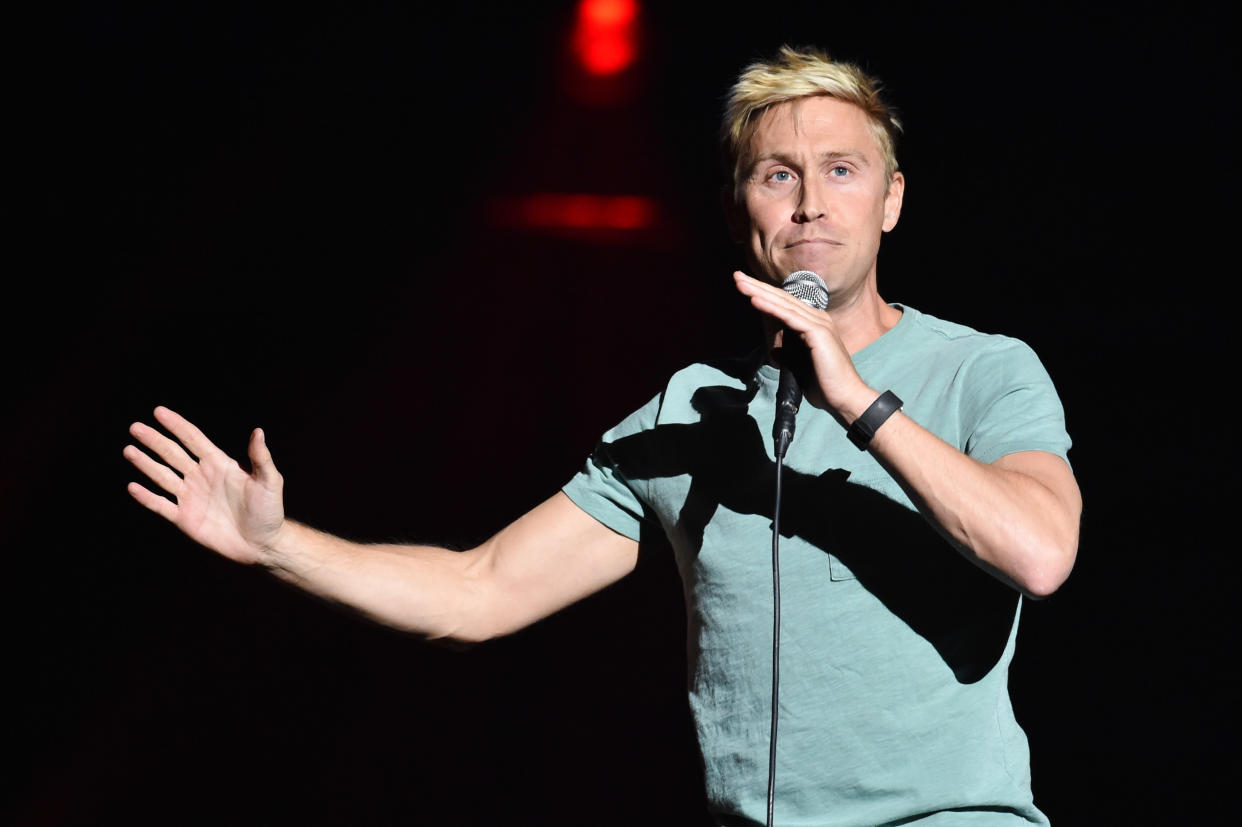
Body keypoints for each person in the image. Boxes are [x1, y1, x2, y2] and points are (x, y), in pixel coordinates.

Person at [126, 45, 1081, 826]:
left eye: (842, 171)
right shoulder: (689, 418)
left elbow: (1039, 553)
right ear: (736, 208)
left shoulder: (981, 370)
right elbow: (479, 590)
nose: (810, 203)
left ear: (891, 200)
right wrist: (277, 545)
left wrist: (861, 404)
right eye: (776, 174)